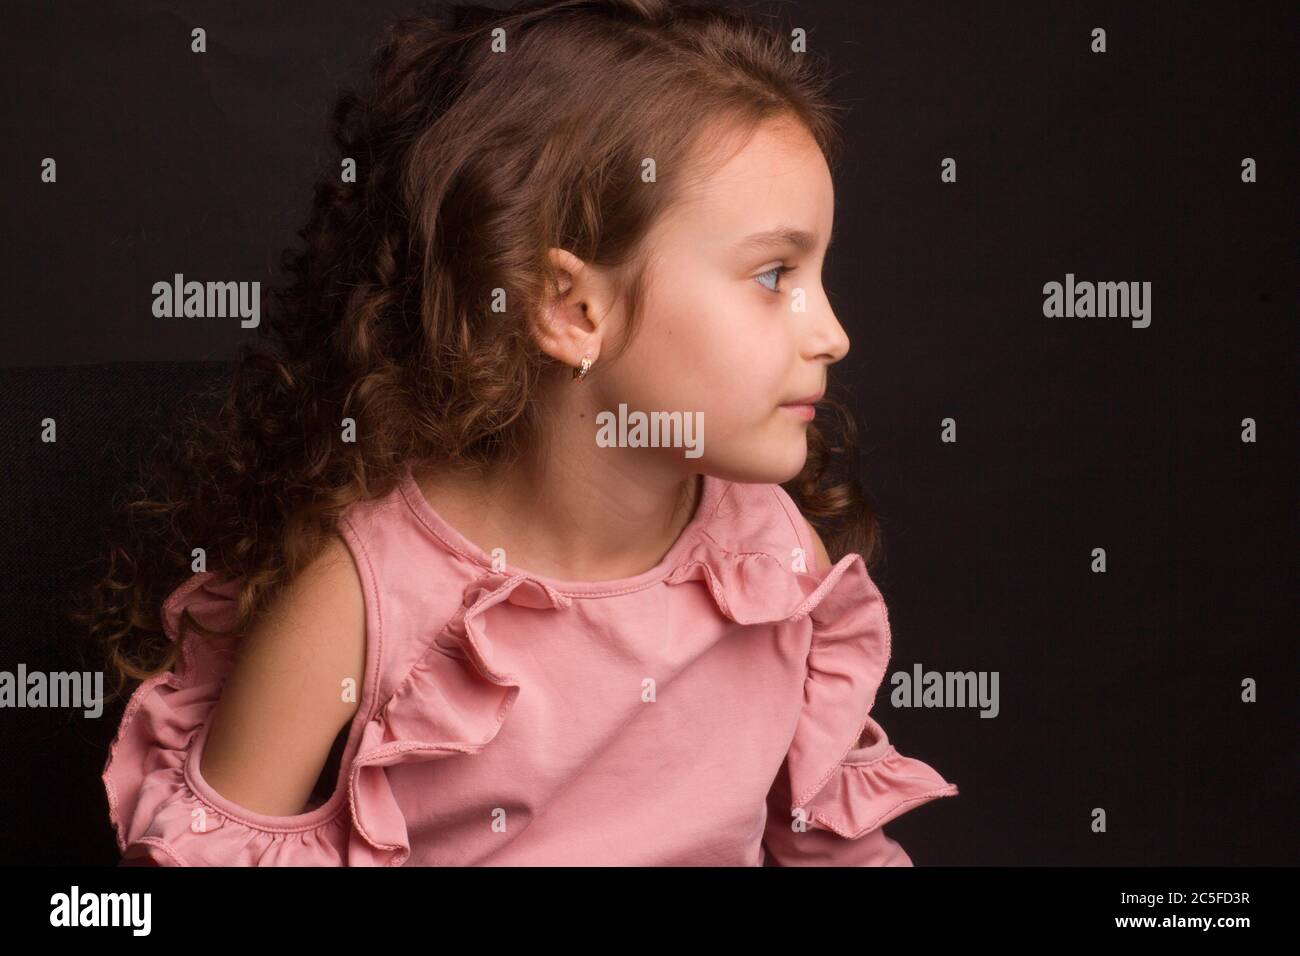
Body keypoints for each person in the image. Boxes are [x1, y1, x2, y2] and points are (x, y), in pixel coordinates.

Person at [87, 0, 957, 866]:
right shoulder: (361, 596)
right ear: (572, 309)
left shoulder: (771, 559)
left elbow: (832, 846)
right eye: (775, 275)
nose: (832, 333)